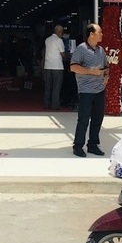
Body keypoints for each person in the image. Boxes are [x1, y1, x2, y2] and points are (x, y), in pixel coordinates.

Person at [70, 23, 109, 157]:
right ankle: (78, 145)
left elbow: (106, 66)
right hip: (86, 90)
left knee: (97, 119)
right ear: (91, 34)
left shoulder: (101, 50)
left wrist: (106, 75)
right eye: (99, 32)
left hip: (100, 90)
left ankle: (93, 144)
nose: (102, 34)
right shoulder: (81, 49)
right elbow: (73, 67)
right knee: (84, 119)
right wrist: (91, 71)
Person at [43, 24, 68, 110]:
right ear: (59, 32)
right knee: (56, 87)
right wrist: (68, 55)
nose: (62, 34)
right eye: (61, 32)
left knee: (48, 86)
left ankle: (46, 103)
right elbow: (62, 54)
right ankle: (55, 105)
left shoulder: (47, 39)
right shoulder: (59, 40)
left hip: (48, 65)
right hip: (57, 66)